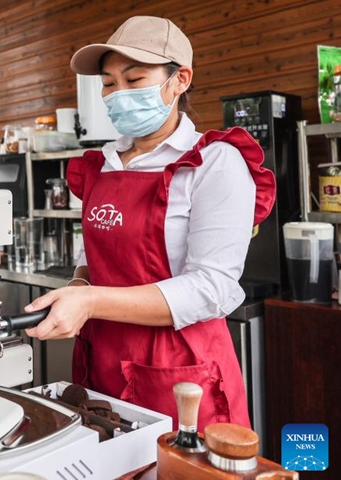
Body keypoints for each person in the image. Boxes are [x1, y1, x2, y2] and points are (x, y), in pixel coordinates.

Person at [23, 15, 276, 430]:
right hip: (101, 361)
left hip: (178, 373)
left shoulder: (213, 162)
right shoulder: (101, 164)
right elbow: (95, 256)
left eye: (134, 79)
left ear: (180, 80)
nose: (117, 94)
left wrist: (90, 303)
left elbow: (211, 287)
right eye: (108, 83)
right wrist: (80, 286)